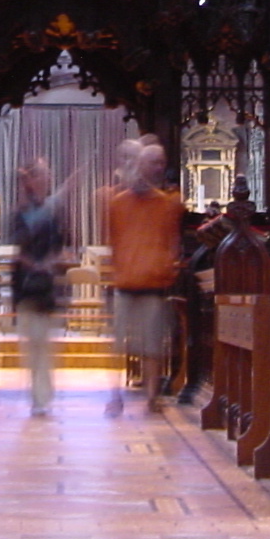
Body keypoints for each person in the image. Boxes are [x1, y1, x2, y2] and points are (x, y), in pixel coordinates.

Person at [104, 138, 183, 415]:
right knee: (119, 344)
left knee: (152, 345)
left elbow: (171, 242)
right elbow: (114, 240)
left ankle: (152, 396)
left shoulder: (167, 204)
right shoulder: (118, 203)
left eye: (161, 162)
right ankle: (115, 395)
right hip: (126, 283)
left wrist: (165, 267)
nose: (159, 167)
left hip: (152, 285)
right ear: (140, 165)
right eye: (153, 162)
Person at [10, 158, 67, 416]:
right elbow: (18, 247)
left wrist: (51, 262)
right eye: (42, 176)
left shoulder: (52, 212)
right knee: (33, 343)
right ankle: (38, 394)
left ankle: (43, 394)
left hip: (45, 287)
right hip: (27, 285)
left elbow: (60, 246)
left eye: (48, 176)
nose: (46, 180)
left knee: (43, 343)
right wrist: (34, 264)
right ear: (32, 181)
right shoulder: (21, 213)